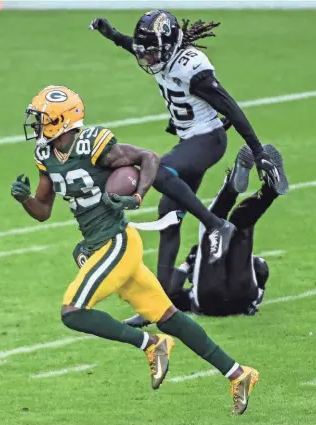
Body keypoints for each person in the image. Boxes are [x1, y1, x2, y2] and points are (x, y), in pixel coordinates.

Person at [11, 85, 259, 415]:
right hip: (99, 243)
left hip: (117, 241)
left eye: (42, 118)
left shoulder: (93, 143)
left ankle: (150, 343)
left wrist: (139, 195)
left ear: (60, 119)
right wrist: (26, 199)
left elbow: (148, 158)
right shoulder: (45, 156)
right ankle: (239, 373)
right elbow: (43, 210)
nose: (37, 124)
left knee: (73, 311)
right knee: (169, 317)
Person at [89, 11, 284, 323]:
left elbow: (231, 107)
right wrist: (114, 36)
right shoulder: (162, 57)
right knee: (168, 219)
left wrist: (258, 150)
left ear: (169, 47)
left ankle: (216, 224)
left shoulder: (192, 69)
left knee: (158, 171)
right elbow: (137, 47)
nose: (148, 58)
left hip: (207, 141)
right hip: (189, 141)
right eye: (145, 52)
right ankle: (158, 307)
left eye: (152, 51)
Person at [166, 144, 288, 318]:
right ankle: (259, 189)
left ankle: (258, 189)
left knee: (234, 223)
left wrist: (187, 264)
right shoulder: (191, 293)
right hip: (240, 293)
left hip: (230, 297)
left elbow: (171, 292)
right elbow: (261, 267)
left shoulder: (188, 299)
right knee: (224, 222)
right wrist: (187, 265)